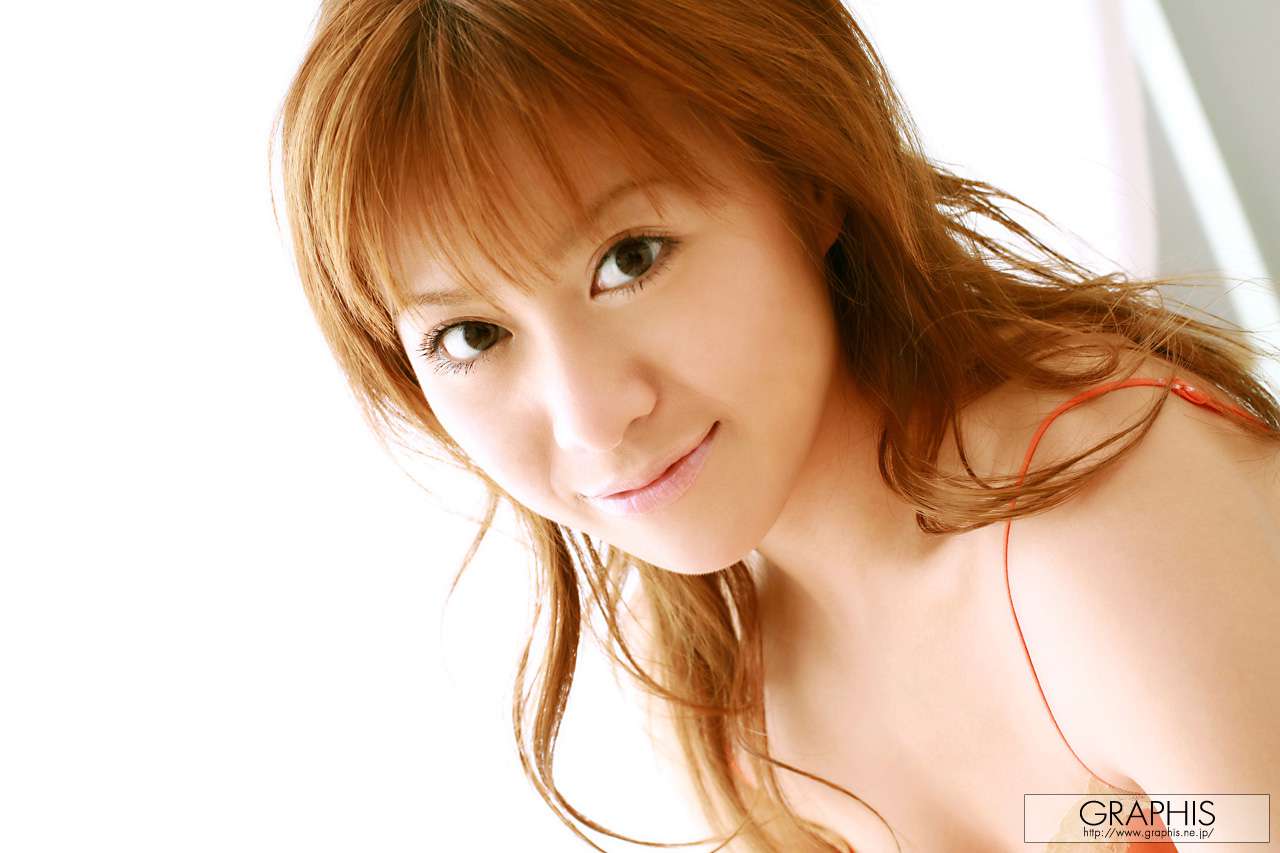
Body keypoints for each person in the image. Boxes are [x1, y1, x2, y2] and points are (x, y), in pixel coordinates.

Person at [273, 1, 1280, 850]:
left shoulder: (1096, 534)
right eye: (472, 335)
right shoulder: (708, 665)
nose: (591, 419)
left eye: (631, 259)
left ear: (806, 177)